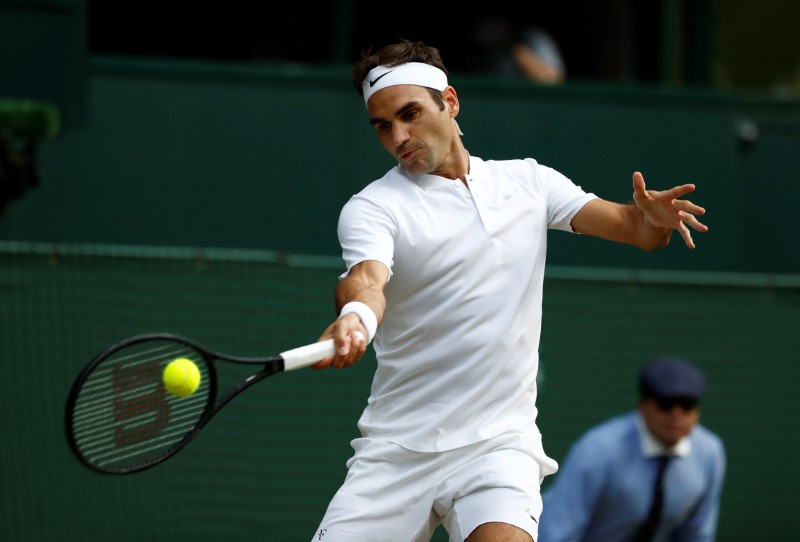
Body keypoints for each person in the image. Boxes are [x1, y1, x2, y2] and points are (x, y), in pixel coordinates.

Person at [310, 39, 708, 542]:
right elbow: (367, 281)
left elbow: (635, 230)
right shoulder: (373, 208)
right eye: (383, 126)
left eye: (410, 114)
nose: (399, 136)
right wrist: (357, 319)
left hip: (498, 446)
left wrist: (654, 221)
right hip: (397, 451)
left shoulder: (529, 183)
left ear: (449, 102)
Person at [538, 357, 727, 542]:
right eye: (665, 404)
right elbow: (558, 531)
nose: (676, 416)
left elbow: (696, 533)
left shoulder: (710, 453)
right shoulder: (599, 449)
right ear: (644, 406)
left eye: (687, 405)